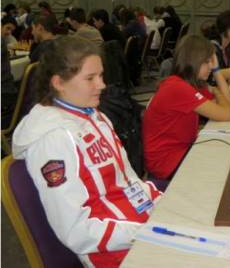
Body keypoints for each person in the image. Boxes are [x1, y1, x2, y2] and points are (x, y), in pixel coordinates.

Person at [12, 36, 161, 266]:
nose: (102, 85)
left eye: (101, 76)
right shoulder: (53, 140)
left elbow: (127, 181)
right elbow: (76, 231)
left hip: (138, 226)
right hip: (114, 252)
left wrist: (163, 206)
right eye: (90, 78)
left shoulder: (94, 116)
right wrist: (147, 233)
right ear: (59, 83)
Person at [143, 34, 230, 180]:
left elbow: (229, 107)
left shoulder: (190, 83)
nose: (211, 66)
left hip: (179, 150)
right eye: (207, 62)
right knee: (223, 167)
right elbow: (226, 114)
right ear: (194, 62)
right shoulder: (178, 88)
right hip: (166, 163)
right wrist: (216, 89)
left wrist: (217, 71)